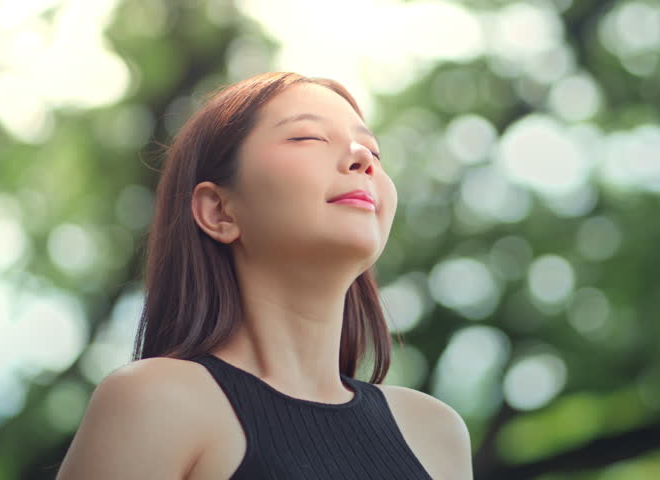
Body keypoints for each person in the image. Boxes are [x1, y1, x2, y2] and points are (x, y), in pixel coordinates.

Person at [56, 72, 473, 479]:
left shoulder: (436, 434)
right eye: (307, 137)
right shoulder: (156, 400)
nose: (363, 159)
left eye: (373, 151)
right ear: (219, 210)